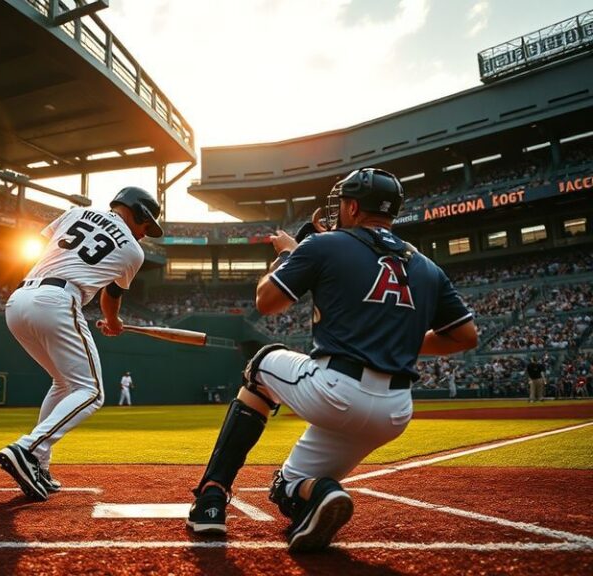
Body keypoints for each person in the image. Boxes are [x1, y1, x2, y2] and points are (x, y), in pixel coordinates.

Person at [186, 168, 477, 552]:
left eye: (342, 202)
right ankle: (320, 492)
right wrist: (400, 340)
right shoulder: (427, 266)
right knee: (287, 488)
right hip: (394, 412)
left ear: (353, 206)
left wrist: (290, 254)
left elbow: (266, 301)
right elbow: (465, 336)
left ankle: (210, 497)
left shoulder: (326, 245)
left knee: (260, 365)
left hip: (337, 391)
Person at [0, 186, 163, 501]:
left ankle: (39, 466)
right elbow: (111, 295)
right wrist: (113, 325)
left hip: (18, 301)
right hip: (58, 300)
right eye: (146, 225)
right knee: (92, 392)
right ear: (138, 212)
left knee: (63, 382)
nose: (144, 234)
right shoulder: (132, 251)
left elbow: (48, 250)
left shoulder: (74, 212)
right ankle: (28, 449)